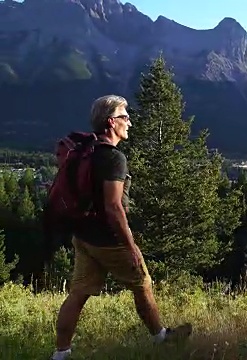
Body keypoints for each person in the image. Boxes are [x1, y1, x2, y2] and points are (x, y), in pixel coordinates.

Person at [50, 95, 191, 360]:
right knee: (142, 283)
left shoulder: (86, 151)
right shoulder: (113, 158)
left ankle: (60, 354)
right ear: (112, 122)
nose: (130, 122)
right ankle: (161, 339)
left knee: (78, 294)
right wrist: (131, 246)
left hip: (83, 236)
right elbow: (114, 207)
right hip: (108, 239)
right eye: (125, 117)